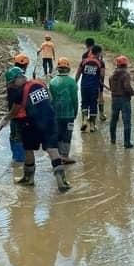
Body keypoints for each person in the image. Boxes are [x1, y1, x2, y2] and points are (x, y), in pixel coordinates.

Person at [3, 67, 74, 187]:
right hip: (50, 120)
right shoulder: (40, 83)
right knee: (52, 149)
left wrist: (5, 119)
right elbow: (50, 98)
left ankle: (28, 178)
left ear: (18, 79)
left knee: (28, 150)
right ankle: (62, 180)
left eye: (12, 82)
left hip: (31, 123)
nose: (12, 86)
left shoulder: (19, 92)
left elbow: (15, 110)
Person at [48, 57, 79, 191]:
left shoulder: (52, 82)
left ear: (58, 68)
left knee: (58, 134)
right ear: (68, 69)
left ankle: (59, 155)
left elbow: (51, 99)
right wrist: (75, 113)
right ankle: (64, 156)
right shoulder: (72, 82)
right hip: (69, 115)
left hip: (56, 114)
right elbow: (75, 100)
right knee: (67, 134)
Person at [108, 55, 134, 148]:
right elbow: (127, 88)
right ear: (126, 64)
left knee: (114, 120)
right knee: (127, 121)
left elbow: (111, 87)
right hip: (124, 100)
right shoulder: (126, 74)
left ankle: (113, 140)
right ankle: (127, 142)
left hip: (114, 99)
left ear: (117, 64)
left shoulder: (112, 75)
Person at [75, 45, 105, 133]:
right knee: (93, 104)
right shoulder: (100, 63)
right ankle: (92, 126)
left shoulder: (84, 61)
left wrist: (75, 83)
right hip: (94, 87)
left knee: (84, 103)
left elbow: (78, 73)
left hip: (84, 86)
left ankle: (84, 120)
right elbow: (102, 76)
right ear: (99, 52)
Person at [6, 53, 30, 163]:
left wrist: (7, 118)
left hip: (18, 117)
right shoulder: (20, 83)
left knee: (17, 138)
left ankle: (18, 161)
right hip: (22, 116)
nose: (9, 85)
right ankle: (19, 158)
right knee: (18, 137)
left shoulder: (18, 89)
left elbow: (16, 107)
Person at [82, 37, 107, 121]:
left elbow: (83, 67)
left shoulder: (85, 55)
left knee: (87, 99)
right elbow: (101, 65)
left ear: (86, 44)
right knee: (100, 96)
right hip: (99, 79)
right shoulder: (98, 53)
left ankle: (87, 117)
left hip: (88, 79)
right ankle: (101, 114)